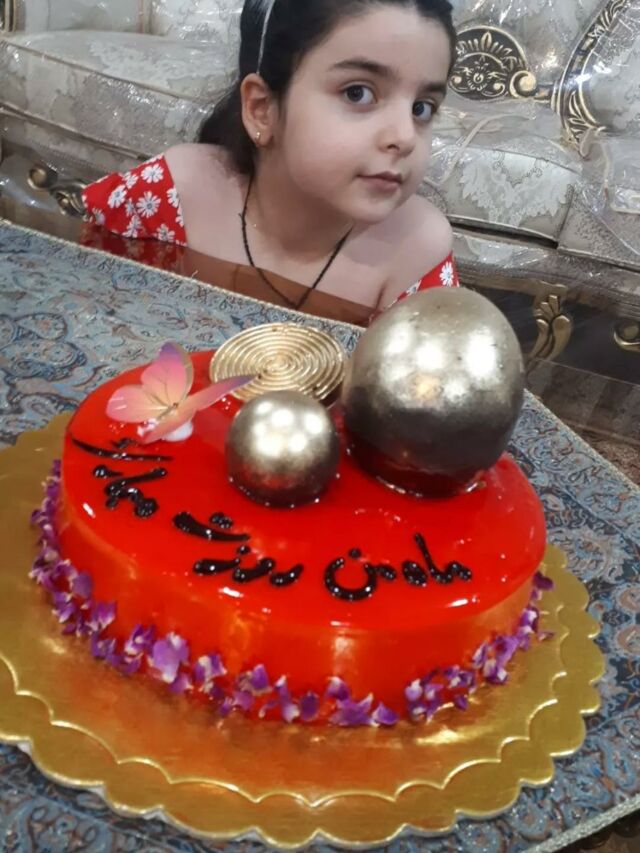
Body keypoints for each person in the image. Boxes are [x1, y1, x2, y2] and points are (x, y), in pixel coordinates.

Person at [83, 0, 459, 314]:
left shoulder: (415, 250)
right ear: (262, 109)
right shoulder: (171, 197)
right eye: (357, 93)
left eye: (422, 108)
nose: (405, 137)